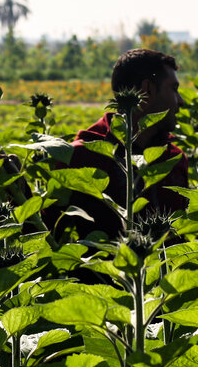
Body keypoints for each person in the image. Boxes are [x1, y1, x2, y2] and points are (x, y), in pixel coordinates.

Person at [49, 48, 189, 240]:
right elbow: (47, 235)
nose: (180, 101)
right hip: (101, 270)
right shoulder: (82, 156)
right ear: (147, 90)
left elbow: (180, 237)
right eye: (173, 89)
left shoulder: (174, 158)